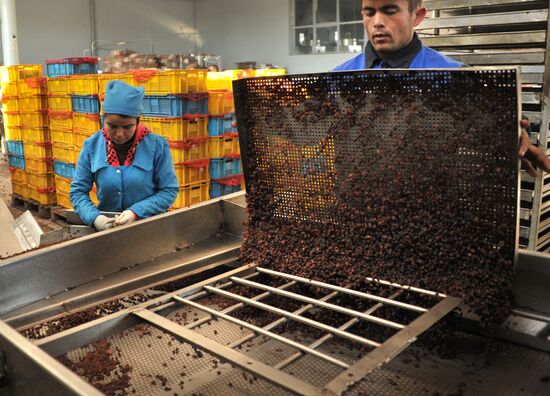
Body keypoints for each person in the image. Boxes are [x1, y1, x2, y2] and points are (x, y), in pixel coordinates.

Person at [335, 0, 550, 176]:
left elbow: (491, 118)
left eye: (390, 11)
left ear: (417, 16)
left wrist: (509, 132)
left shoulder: (453, 76)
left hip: (428, 210)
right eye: (369, 12)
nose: (377, 22)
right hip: (354, 208)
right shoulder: (337, 78)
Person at [70, 81, 178, 231]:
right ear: (103, 120)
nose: (119, 134)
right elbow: (78, 192)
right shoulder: (92, 146)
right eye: (112, 126)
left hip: (150, 229)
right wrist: (95, 218)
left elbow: (169, 190)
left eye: (127, 127)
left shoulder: (157, 146)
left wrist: (136, 212)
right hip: (107, 231)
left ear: (138, 120)